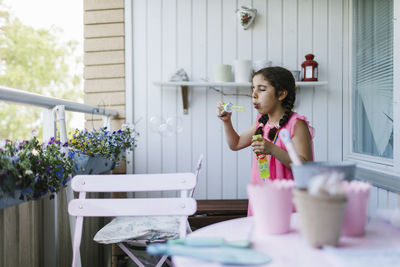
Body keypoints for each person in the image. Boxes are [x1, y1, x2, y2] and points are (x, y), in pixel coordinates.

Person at [217, 66, 314, 216]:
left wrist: (273, 149)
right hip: (262, 196)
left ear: (281, 94)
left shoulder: (296, 124)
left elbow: (305, 165)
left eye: (262, 89)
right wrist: (227, 122)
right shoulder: (261, 123)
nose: (254, 95)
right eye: (253, 88)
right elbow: (235, 144)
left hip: (287, 199)